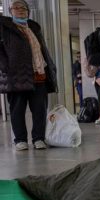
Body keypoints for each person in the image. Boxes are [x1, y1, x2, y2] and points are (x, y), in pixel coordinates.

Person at [0, 0, 57, 151]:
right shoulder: (4, 28)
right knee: (17, 109)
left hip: (39, 74)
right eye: (16, 8)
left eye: (23, 8)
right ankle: (20, 140)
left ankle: (39, 138)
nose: (20, 10)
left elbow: (41, 49)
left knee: (39, 109)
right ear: (10, 11)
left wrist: (50, 67)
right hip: (16, 75)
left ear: (28, 11)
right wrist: (6, 67)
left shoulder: (33, 27)